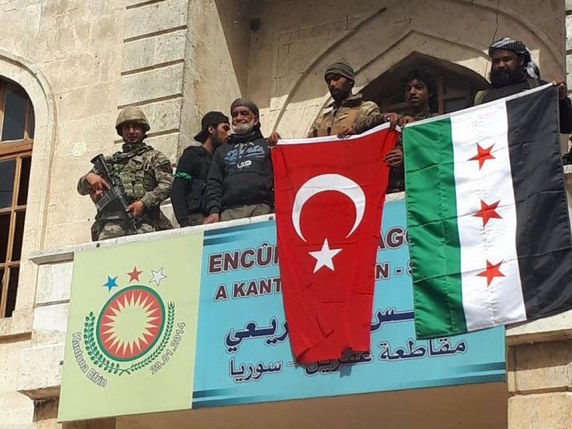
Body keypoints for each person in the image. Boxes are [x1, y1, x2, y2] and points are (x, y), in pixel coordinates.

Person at [77, 107, 173, 240]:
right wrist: (89, 178)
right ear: (121, 131)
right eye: (127, 127)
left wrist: (144, 203)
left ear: (143, 130)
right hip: (110, 225)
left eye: (136, 127)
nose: (131, 131)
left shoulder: (154, 157)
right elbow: (81, 189)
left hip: (143, 222)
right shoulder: (109, 162)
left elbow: (168, 184)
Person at [203, 98, 279, 223]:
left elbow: (283, 176)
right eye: (234, 114)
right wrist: (214, 211)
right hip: (228, 213)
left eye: (244, 113)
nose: (238, 117)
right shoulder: (222, 151)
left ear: (255, 120)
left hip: (263, 210)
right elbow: (214, 183)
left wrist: (278, 147)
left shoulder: (267, 145)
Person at [475, 37, 572, 134]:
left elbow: (567, 126)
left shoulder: (538, 89)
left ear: (521, 60)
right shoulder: (482, 98)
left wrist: (561, 100)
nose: (501, 65)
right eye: (496, 61)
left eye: (507, 59)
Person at [384, 66, 440, 192]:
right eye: (408, 89)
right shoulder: (397, 122)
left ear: (429, 92)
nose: (412, 92)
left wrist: (407, 157)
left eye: (418, 87)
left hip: (424, 191)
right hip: (393, 193)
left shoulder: (436, 122)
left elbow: (440, 154)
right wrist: (384, 117)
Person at [171, 112, 231, 227]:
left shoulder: (222, 160)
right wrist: (184, 223)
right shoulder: (192, 155)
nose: (228, 134)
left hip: (220, 217)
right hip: (196, 219)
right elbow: (177, 190)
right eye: (225, 128)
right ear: (211, 129)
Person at [308, 59, 384, 137]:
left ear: (350, 81)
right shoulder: (322, 120)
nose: (332, 84)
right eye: (328, 81)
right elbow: (307, 145)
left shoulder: (366, 108)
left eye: (336, 78)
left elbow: (375, 130)